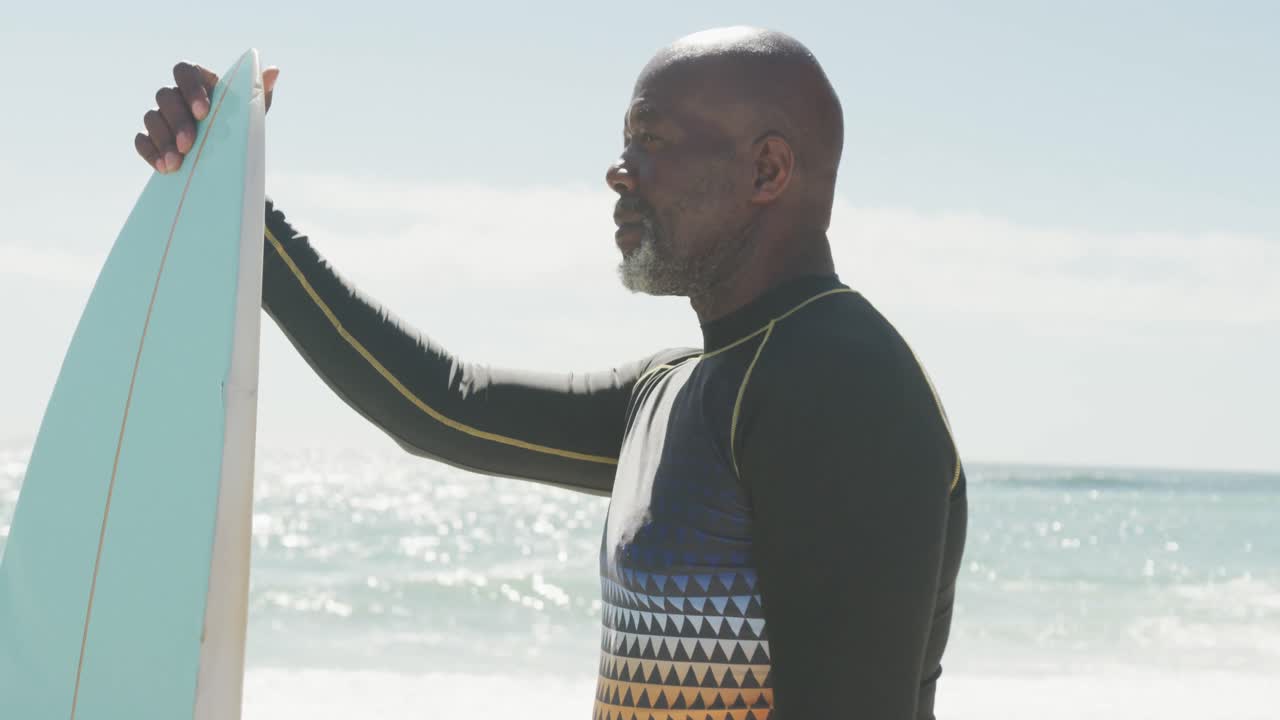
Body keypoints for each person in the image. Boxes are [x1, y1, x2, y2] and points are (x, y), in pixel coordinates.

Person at [136, 26, 967, 720]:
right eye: (624, 142)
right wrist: (241, 199)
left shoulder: (842, 382)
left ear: (767, 172)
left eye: (655, 141)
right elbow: (439, 408)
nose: (620, 169)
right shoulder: (681, 388)